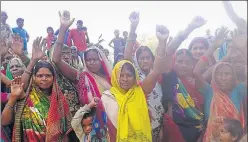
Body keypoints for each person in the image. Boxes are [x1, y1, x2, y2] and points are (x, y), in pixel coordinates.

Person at [102, 11, 169, 142]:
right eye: (121, 75)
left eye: (129, 75)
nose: (125, 79)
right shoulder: (108, 97)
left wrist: (162, 42)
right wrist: (133, 27)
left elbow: (156, 70)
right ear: (115, 76)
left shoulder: (140, 89)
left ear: (135, 77)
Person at [53, 10, 113, 142]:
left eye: (95, 59)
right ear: (84, 61)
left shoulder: (113, 78)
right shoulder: (81, 76)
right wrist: (63, 29)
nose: (92, 62)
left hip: (114, 122)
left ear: (101, 59)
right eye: (89, 60)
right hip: (91, 126)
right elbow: (56, 59)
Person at [12, 37, 72, 142]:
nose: (44, 79)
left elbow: (65, 131)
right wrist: (33, 61)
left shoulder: (60, 100)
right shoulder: (26, 97)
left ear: (54, 78)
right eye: (40, 76)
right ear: (34, 78)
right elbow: (21, 85)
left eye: (48, 75)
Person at [193, 27, 246, 142]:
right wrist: (212, 47)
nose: (223, 78)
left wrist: (243, 49)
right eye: (219, 74)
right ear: (214, 76)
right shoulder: (209, 92)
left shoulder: (239, 90)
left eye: (227, 74)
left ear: (233, 76)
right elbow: (196, 72)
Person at [122, 11, 167, 142]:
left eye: (148, 58)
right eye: (141, 58)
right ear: (137, 61)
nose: (145, 61)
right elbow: (127, 55)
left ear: (153, 60)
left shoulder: (157, 76)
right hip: (140, 126)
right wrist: (133, 27)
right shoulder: (134, 75)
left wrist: (162, 41)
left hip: (157, 123)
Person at [160, 16, 207, 142]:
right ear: (174, 63)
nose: (183, 65)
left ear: (193, 64)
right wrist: (190, 28)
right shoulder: (170, 76)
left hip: (198, 130)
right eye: (180, 61)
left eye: (187, 62)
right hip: (175, 130)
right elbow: (169, 51)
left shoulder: (198, 79)